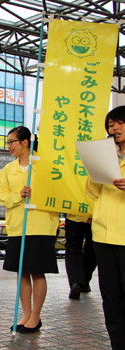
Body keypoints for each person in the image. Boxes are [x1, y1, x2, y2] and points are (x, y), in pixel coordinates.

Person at [0, 126, 59, 333]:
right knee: (21, 272)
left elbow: (56, 192)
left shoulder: (46, 166)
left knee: (37, 271)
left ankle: (36, 316)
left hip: (41, 225)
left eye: (12, 141)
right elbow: (1, 196)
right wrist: (18, 195)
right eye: (8, 142)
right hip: (17, 226)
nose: (9, 146)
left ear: (25, 142)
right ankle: (25, 314)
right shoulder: (7, 170)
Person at [85, 105, 125, 349]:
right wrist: (96, 170)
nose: (114, 128)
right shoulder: (107, 154)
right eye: (110, 125)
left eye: (119, 123)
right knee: (111, 298)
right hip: (103, 234)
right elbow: (92, 191)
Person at [64, 214, 96, 300]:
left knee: (72, 247)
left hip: (74, 213)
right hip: (94, 214)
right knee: (93, 247)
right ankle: (84, 281)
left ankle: (75, 282)